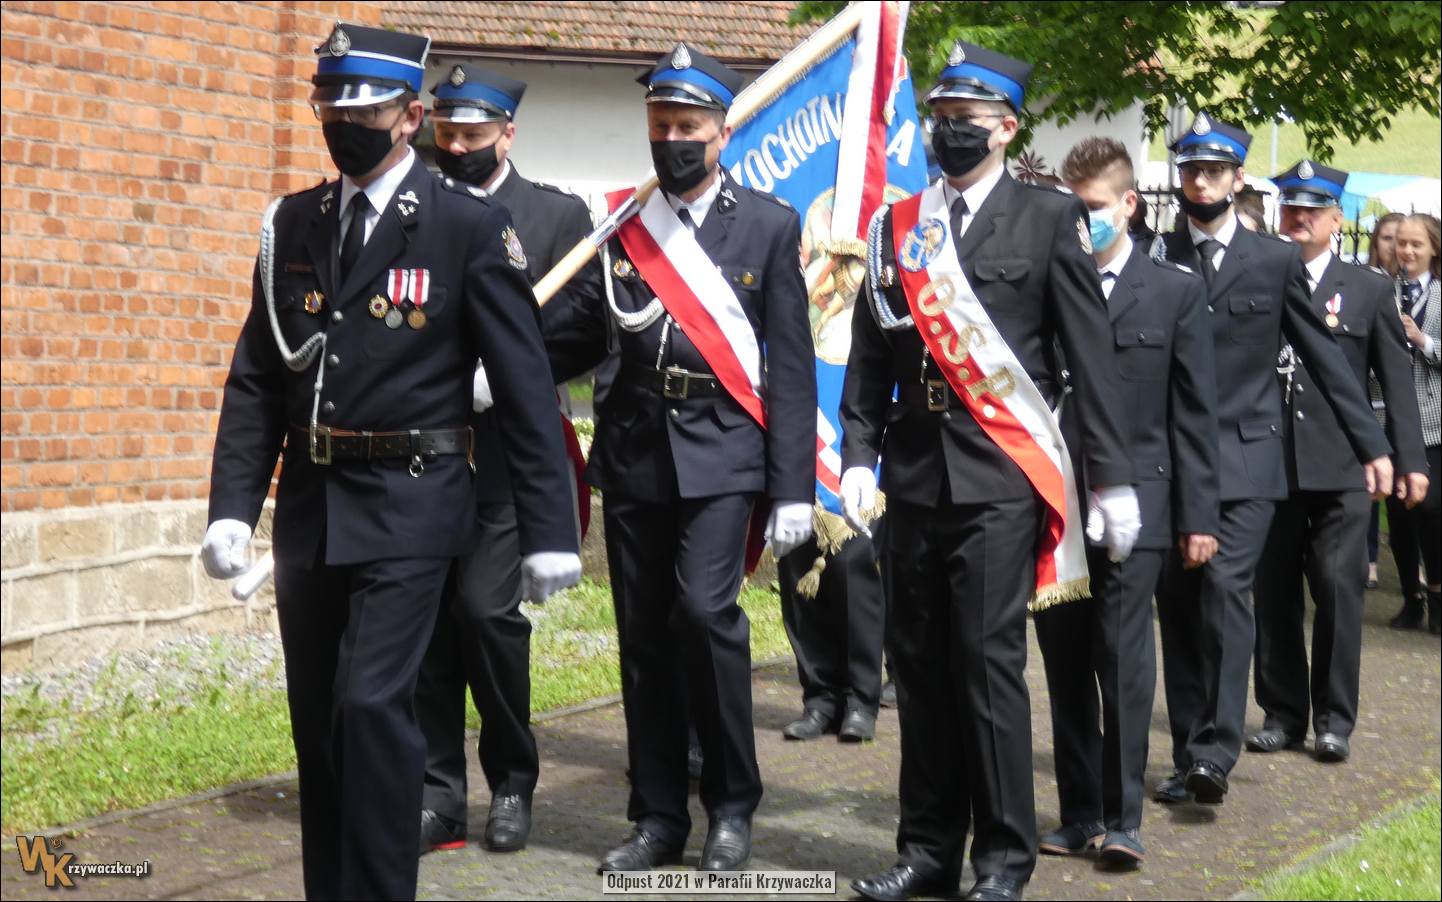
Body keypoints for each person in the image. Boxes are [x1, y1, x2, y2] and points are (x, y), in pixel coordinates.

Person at [199, 24, 581, 900]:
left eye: (364, 110)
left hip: (413, 503)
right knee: (320, 723)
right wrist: (232, 508)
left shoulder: (466, 225)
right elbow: (259, 376)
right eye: (330, 107)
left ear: (410, 117)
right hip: (313, 507)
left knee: (372, 704)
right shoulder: (294, 222)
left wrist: (549, 528)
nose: (344, 123)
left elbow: (525, 388)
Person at [841, 41, 1139, 902]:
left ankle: (1003, 859)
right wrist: (857, 453)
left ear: (1006, 128)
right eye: (939, 118)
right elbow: (869, 356)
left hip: (1001, 481)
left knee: (984, 665)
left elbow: (1090, 357)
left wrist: (1112, 477)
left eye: (965, 120)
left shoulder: (1048, 220)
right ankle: (927, 850)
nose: (948, 132)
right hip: (914, 478)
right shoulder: (897, 226)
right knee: (918, 667)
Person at [542, 43, 817, 873]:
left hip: (725, 451)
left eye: (688, 126)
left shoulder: (768, 225)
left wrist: (793, 485)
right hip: (636, 451)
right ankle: (657, 815)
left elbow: (790, 364)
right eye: (660, 124)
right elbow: (580, 332)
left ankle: (730, 805)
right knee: (644, 640)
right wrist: (502, 360)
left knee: (704, 616)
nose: (672, 139)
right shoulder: (620, 225)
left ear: (722, 134)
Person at [1152, 114, 1392, 809]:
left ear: (1237, 179)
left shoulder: (1272, 260)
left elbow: (1326, 358)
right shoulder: (1153, 254)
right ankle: (1188, 751)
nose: (1200, 182)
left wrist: (1372, 445)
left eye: (1214, 171)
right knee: (1180, 607)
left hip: (1247, 461)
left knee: (1227, 592)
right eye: (1190, 170)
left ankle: (1215, 752)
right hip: (1171, 462)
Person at [413, 64, 601, 856]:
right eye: (447, 133)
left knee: (487, 614)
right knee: (428, 624)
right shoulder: (416, 208)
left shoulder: (555, 217)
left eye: (473, 134)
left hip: (507, 452)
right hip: (425, 449)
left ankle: (513, 780)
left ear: (507, 135)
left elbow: (589, 324)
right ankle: (437, 795)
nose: (457, 147)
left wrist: (515, 369)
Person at [1035, 138, 1219, 869]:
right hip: (1057, 499)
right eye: (1071, 209)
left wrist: (1198, 516)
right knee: (1063, 659)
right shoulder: (1046, 285)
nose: (1082, 223)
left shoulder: (1172, 291)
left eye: (1093, 208)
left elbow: (1194, 413)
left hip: (1138, 502)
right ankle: (1078, 813)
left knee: (1121, 654)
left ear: (1129, 204)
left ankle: (1123, 818)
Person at [1249, 160, 1427, 765]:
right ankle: (1281, 712)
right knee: (1273, 591)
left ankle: (1333, 719)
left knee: (1337, 587)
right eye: (1291, 208)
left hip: (1343, 464)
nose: (1298, 218)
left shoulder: (1367, 289)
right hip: (1271, 459)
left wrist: (1408, 461)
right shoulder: (1259, 278)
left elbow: (1396, 383)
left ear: (1335, 220)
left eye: (1312, 210)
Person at [776, 523, 886, 743]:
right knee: (800, 568)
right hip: (802, 501)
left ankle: (860, 701)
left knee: (852, 565)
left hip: (857, 503)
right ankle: (820, 699)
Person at [1386, 214, 1442, 633]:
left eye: (1416, 244)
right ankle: (1411, 597)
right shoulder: (1380, 290)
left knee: (1431, 508)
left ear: (1433, 249)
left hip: (1434, 420)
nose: (1406, 251)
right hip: (1387, 417)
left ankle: (1437, 594)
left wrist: (1423, 341)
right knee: (1399, 512)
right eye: (1401, 243)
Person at [1365, 211, 1407, 587]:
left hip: (1407, 401)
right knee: (1369, 485)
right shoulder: (1367, 282)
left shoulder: (1413, 287)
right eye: (1387, 238)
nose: (1394, 247)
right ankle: (1369, 560)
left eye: (1400, 239)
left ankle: (1414, 562)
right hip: (1370, 401)